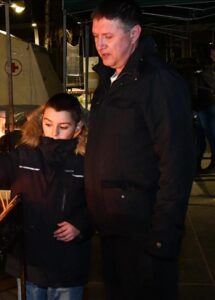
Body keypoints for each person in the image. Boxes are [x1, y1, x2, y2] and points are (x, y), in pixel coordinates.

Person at [86, 1, 194, 299]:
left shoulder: (158, 82)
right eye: (96, 36)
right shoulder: (109, 81)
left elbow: (177, 163)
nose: (100, 44)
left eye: (108, 36)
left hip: (144, 231)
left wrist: (163, 237)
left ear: (134, 34)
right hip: (113, 227)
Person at [0, 93, 92, 300]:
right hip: (30, 258)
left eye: (63, 127)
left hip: (68, 260)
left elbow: (102, 202)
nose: (53, 133)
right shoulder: (26, 154)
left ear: (78, 127)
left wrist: (81, 223)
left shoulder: (87, 160)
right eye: (48, 124)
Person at [195, 43, 215, 173]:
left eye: (213, 51)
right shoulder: (208, 68)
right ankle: (198, 164)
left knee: (211, 135)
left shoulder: (208, 70)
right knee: (202, 135)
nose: (211, 54)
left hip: (209, 105)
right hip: (204, 105)